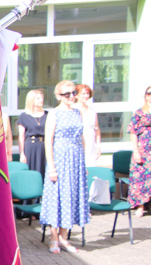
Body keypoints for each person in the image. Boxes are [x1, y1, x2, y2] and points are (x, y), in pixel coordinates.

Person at [40, 80, 89, 254]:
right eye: (66, 94)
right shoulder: (54, 114)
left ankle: (64, 238)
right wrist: (52, 167)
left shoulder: (78, 112)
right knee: (58, 197)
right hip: (60, 158)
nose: (70, 97)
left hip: (75, 158)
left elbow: (81, 137)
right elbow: (48, 142)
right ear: (58, 96)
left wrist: (84, 163)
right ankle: (53, 238)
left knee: (72, 197)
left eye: (73, 93)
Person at [127, 85, 151, 217]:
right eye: (149, 93)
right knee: (141, 178)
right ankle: (140, 205)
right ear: (145, 96)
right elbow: (133, 132)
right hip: (143, 149)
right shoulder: (139, 112)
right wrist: (136, 151)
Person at [17, 89, 48, 177]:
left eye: (41, 98)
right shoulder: (24, 116)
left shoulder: (47, 115)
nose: (41, 100)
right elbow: (21, 137)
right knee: (32, 170)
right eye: (38, 98)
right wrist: (22, 154)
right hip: (31, 146)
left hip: (44, 146)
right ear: (31, 100)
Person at [76, 84, 101, 166]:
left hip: (90, 143)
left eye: (87, 93)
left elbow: (96, 129)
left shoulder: (92, 110)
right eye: (83, 93)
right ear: (77, 95)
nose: (86, 96)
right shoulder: (73, 109)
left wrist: (98, 146)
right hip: (77, 142)